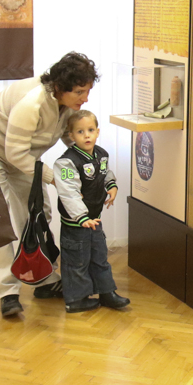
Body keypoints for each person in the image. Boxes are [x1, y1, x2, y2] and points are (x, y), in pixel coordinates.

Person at [0, 53, 99, 318]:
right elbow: (14, 154)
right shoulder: (32, 103)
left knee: (38, 215)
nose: (85, 98)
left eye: (87, 91)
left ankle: (44, 281)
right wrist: (58, 180)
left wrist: (90, 166)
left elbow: (71, 137)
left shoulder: (68, 104)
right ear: (59, 86)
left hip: (22, 156)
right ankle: (7, 292)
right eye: (80, 92)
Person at [52, 111, 129, 313]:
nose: (86, 135)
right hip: (76, 224)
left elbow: (105, 173)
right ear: (71, 135)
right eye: (80, 132)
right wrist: (81, 217)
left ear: (97, 132)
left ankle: (106, 292)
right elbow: (68, 192)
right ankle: (75, 299)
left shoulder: (101, 154)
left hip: (95, 219)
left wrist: (112, 186)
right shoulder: (67, 162)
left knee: (99, 257)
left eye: (90, 130)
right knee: (77, 261)